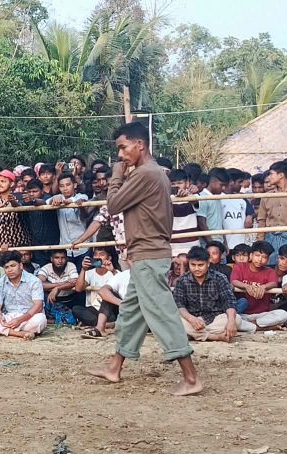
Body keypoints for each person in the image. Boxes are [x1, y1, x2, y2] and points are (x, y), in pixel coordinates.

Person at [87, 121, 202, 397]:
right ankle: (115, 367)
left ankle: (191, 377)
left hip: (149, 254)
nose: (121, 155)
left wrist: (116, 175)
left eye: (123, 148)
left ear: (140, 145)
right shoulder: (152, 173)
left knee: (162, 314)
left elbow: (113, 205)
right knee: (130, 314)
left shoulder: (145, 174)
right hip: (146, 253)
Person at [174, 247, 256, 342]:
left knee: (236, 319)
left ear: (208, 263)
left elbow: (229, 301)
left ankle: (193, 334)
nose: (196, 268)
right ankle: (215, 337)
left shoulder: (219, 278)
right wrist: (192, 319)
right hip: (191, 319)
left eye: (200, 265)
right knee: (175, 320)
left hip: (215, 320)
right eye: (193, 265)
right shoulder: (182, 280)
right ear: (189, 264)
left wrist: (231, 322)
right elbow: (179, 304)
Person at [0, 251, 47, 339]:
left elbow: (38, 306)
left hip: (28, 317)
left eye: (13, 266)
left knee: (41, 320)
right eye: (6, 267)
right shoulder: (0, 283)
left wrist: (20, 320)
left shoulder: (34, 281)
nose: (10, 270)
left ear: (21, 266)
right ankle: (21, 334)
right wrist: (1, 318)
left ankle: (2, 331)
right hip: (9, 318)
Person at [230, 241, 287, 328]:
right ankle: (261, 327)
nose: (260, 260)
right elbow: (234, 281)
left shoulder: (270, 272)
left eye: (264, 257)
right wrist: (246, 286)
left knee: (283, 314)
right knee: (232, 318)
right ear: (251, 255)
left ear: (268, 259)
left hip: (262, 315)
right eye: (257, 255)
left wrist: (264, 287)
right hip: (243, 315)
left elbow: (273, 283)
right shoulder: (240, 267)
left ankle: (252, 326)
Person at [73, 248, 118, 336]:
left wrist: (112, 270)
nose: (97, 257)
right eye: (95, 254)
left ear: (109, 258)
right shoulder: (89, 273)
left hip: (109, 309)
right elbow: (78, 288)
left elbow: (122, 287)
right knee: (76, 309)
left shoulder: (114, 272)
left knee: (111, 314)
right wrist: (83, 269)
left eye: (101, 254)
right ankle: (107, 324)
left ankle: (97, 324)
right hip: (92, 309)